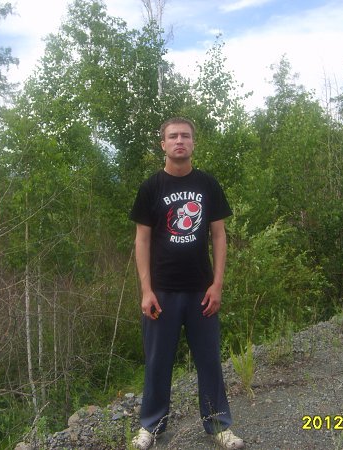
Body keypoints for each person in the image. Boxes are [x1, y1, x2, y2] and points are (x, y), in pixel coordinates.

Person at [129, 117, 244, 449]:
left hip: (201, 291)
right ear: (163, 144)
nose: (179, 141)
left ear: (193, 143)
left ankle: (218, 425)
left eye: (185, 136)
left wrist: (217, 284)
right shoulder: (151, 187)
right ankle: (152, 426)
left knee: (209, 361)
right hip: (161, 292)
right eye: (173, 136)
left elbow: (219, 236)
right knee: (157, 362)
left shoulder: (208, 184)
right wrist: (146, 291)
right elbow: (141, 240)